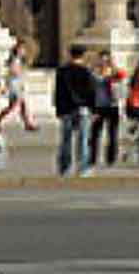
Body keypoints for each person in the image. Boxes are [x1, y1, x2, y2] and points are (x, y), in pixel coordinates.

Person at [53, 46, 96, 178]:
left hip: (66, 109)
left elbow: (58, 92)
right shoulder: (86, 71)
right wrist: (93, 109)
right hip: (82, 109)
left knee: (65, 140)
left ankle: (64, 168)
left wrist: (58, 109)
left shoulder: (62, 71)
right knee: (82, 140)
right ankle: (82, 168)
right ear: (82, 56)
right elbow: (91, 92)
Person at [0, 42, 37, 134]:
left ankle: (27, 123)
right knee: (14, 106)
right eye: (21, 49)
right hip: (14, 85)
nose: (23, 51)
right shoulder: (14, 60)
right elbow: (13, 72)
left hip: (19, 84)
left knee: (22, 104)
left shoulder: (20, 60)